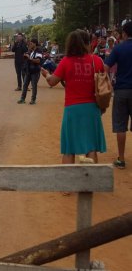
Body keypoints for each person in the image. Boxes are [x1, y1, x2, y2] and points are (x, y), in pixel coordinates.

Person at [41, 30, 106, 168]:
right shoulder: (96, 61)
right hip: (92, 109)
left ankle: (69, 185)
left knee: (69, 148)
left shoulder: (66, 61)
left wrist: (46, 74)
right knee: (91, 147)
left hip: (72, 109)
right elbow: (104, 85)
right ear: (87, 43)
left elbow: (52, 81)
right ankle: (91, 182)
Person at [104, 21, 132, 169]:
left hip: (121, 90)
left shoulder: (118, 48)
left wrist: (108, 83)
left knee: (121, 126)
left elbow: (106, 67)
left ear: (124, 34)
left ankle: (121, 159)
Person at [18, 39, 43, 105]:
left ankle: (33, 100)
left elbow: (38, 61)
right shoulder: (31, 50)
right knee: (25, 85)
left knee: (34, 86)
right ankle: (22, 99)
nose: (30, 44)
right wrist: (26, 55)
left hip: (35, 71)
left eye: (31, 43)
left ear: (35, 44)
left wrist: (29, 58)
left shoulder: (39, 51)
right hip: (28, 71)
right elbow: (27, 57)